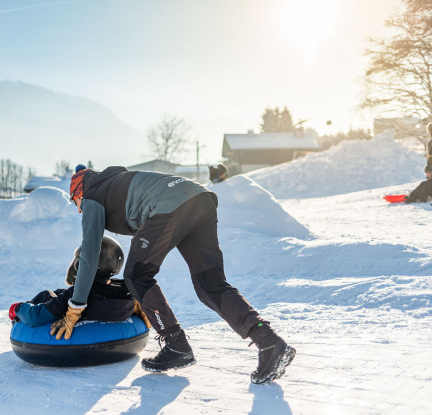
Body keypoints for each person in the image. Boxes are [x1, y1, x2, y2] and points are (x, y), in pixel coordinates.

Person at [51, 164, 295, 384]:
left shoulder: (92, 197)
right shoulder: (116, 183)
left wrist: (75, 306)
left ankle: (176, 345)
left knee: (136, 276)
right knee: (210, 284)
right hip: (199, 198)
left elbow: (89, 256)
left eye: (76, 204)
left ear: (78, 193)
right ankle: (270, 342)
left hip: (170, 207)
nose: (80, 211)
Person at [9, 235, 150, 328]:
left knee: (46, 294)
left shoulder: (78, 295)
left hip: (71, 318)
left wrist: (17, 308)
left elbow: (36, 317)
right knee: (58, 293)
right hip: (105, 314)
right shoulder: (125, 292)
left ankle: (17, 319)